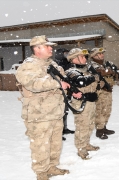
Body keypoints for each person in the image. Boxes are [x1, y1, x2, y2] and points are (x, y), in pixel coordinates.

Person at [15, 35, 70, 180]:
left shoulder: (53, 64)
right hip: (38, 114)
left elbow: (63, 80)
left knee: (55, 142)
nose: (51, 48)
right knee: (40, 145)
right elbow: (32, 83)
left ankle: (51, 166)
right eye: (47, 46)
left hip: (55, 111)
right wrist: (57, 83)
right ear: (37, 49)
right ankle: (41, 173)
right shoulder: (29, 65)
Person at [66, 48, 101, 160]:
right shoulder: (71, 71)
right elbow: (80, 81)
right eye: (81, 56)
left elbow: (98, 81)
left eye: (84, 56)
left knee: (90, 124)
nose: (85, 58)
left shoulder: (87, 70)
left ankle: (86, 143)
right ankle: (81, 148)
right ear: (74, 59)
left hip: (90, 101)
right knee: (82, 126)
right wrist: (94, 76)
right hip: (81, 103)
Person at [89, 47, 119, 140]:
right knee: (100, 110)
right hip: (99, 91)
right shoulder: (91, 65)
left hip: (108, 90)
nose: (102, 55)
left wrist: (113, 73)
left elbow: (115, 74)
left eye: (102, 53)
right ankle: (99, 130)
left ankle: (104, 127)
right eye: (100, 54)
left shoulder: (106, 64)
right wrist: (109, 72)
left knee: (107, 110)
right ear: (94, 56)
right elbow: (100, 73)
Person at [54, 48, 75, 141]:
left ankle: (64, 128)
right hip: (58, 91)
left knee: (65, 110)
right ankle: (58, 132)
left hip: (67, 89)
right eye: (65, 53)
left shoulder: (69, 63)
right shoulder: (57, 64)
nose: (67, 55)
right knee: (58, 112)